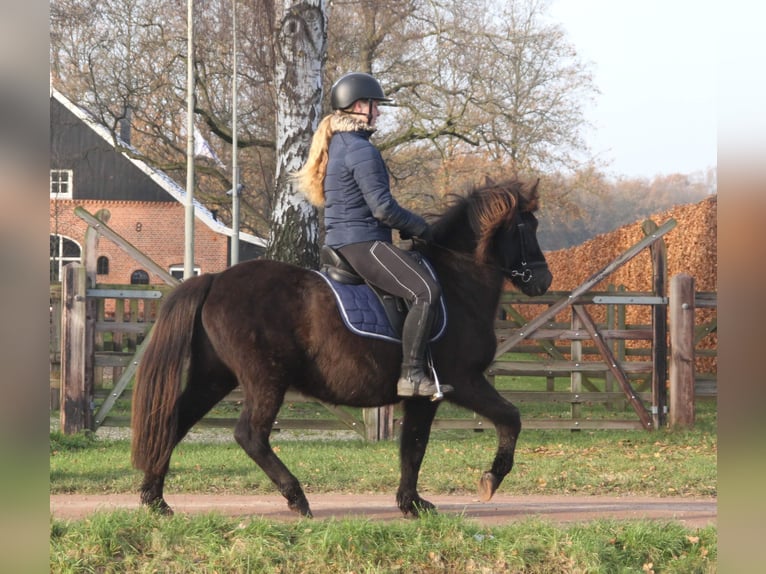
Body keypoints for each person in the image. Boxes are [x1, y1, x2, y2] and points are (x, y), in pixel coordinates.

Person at [294, 71, 441, 398]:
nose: (379, 112)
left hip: (344, 241)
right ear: (358, 105)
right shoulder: (361, 149)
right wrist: (420, 227)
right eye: (375, 105)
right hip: (362, 243)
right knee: (426, 291)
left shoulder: (340, 144)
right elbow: (383, 210)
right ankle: (412, 375)